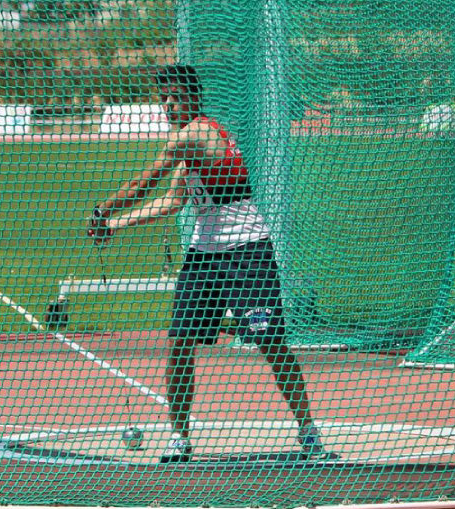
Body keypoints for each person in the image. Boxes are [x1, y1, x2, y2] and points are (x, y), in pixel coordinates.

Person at [89, 64, 331, 464]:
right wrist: (115, 225)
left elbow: (145, 183)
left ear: (194, 98)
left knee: (269, 341)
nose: (168, 104)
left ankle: (308, 432)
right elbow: (170, 201)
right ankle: (180, 439)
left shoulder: (195, 134)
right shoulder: (189, 146)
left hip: (247, 250)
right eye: (163, 97)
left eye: (175, 96)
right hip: (204, 255)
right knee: (180, 343)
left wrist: (103, 210)